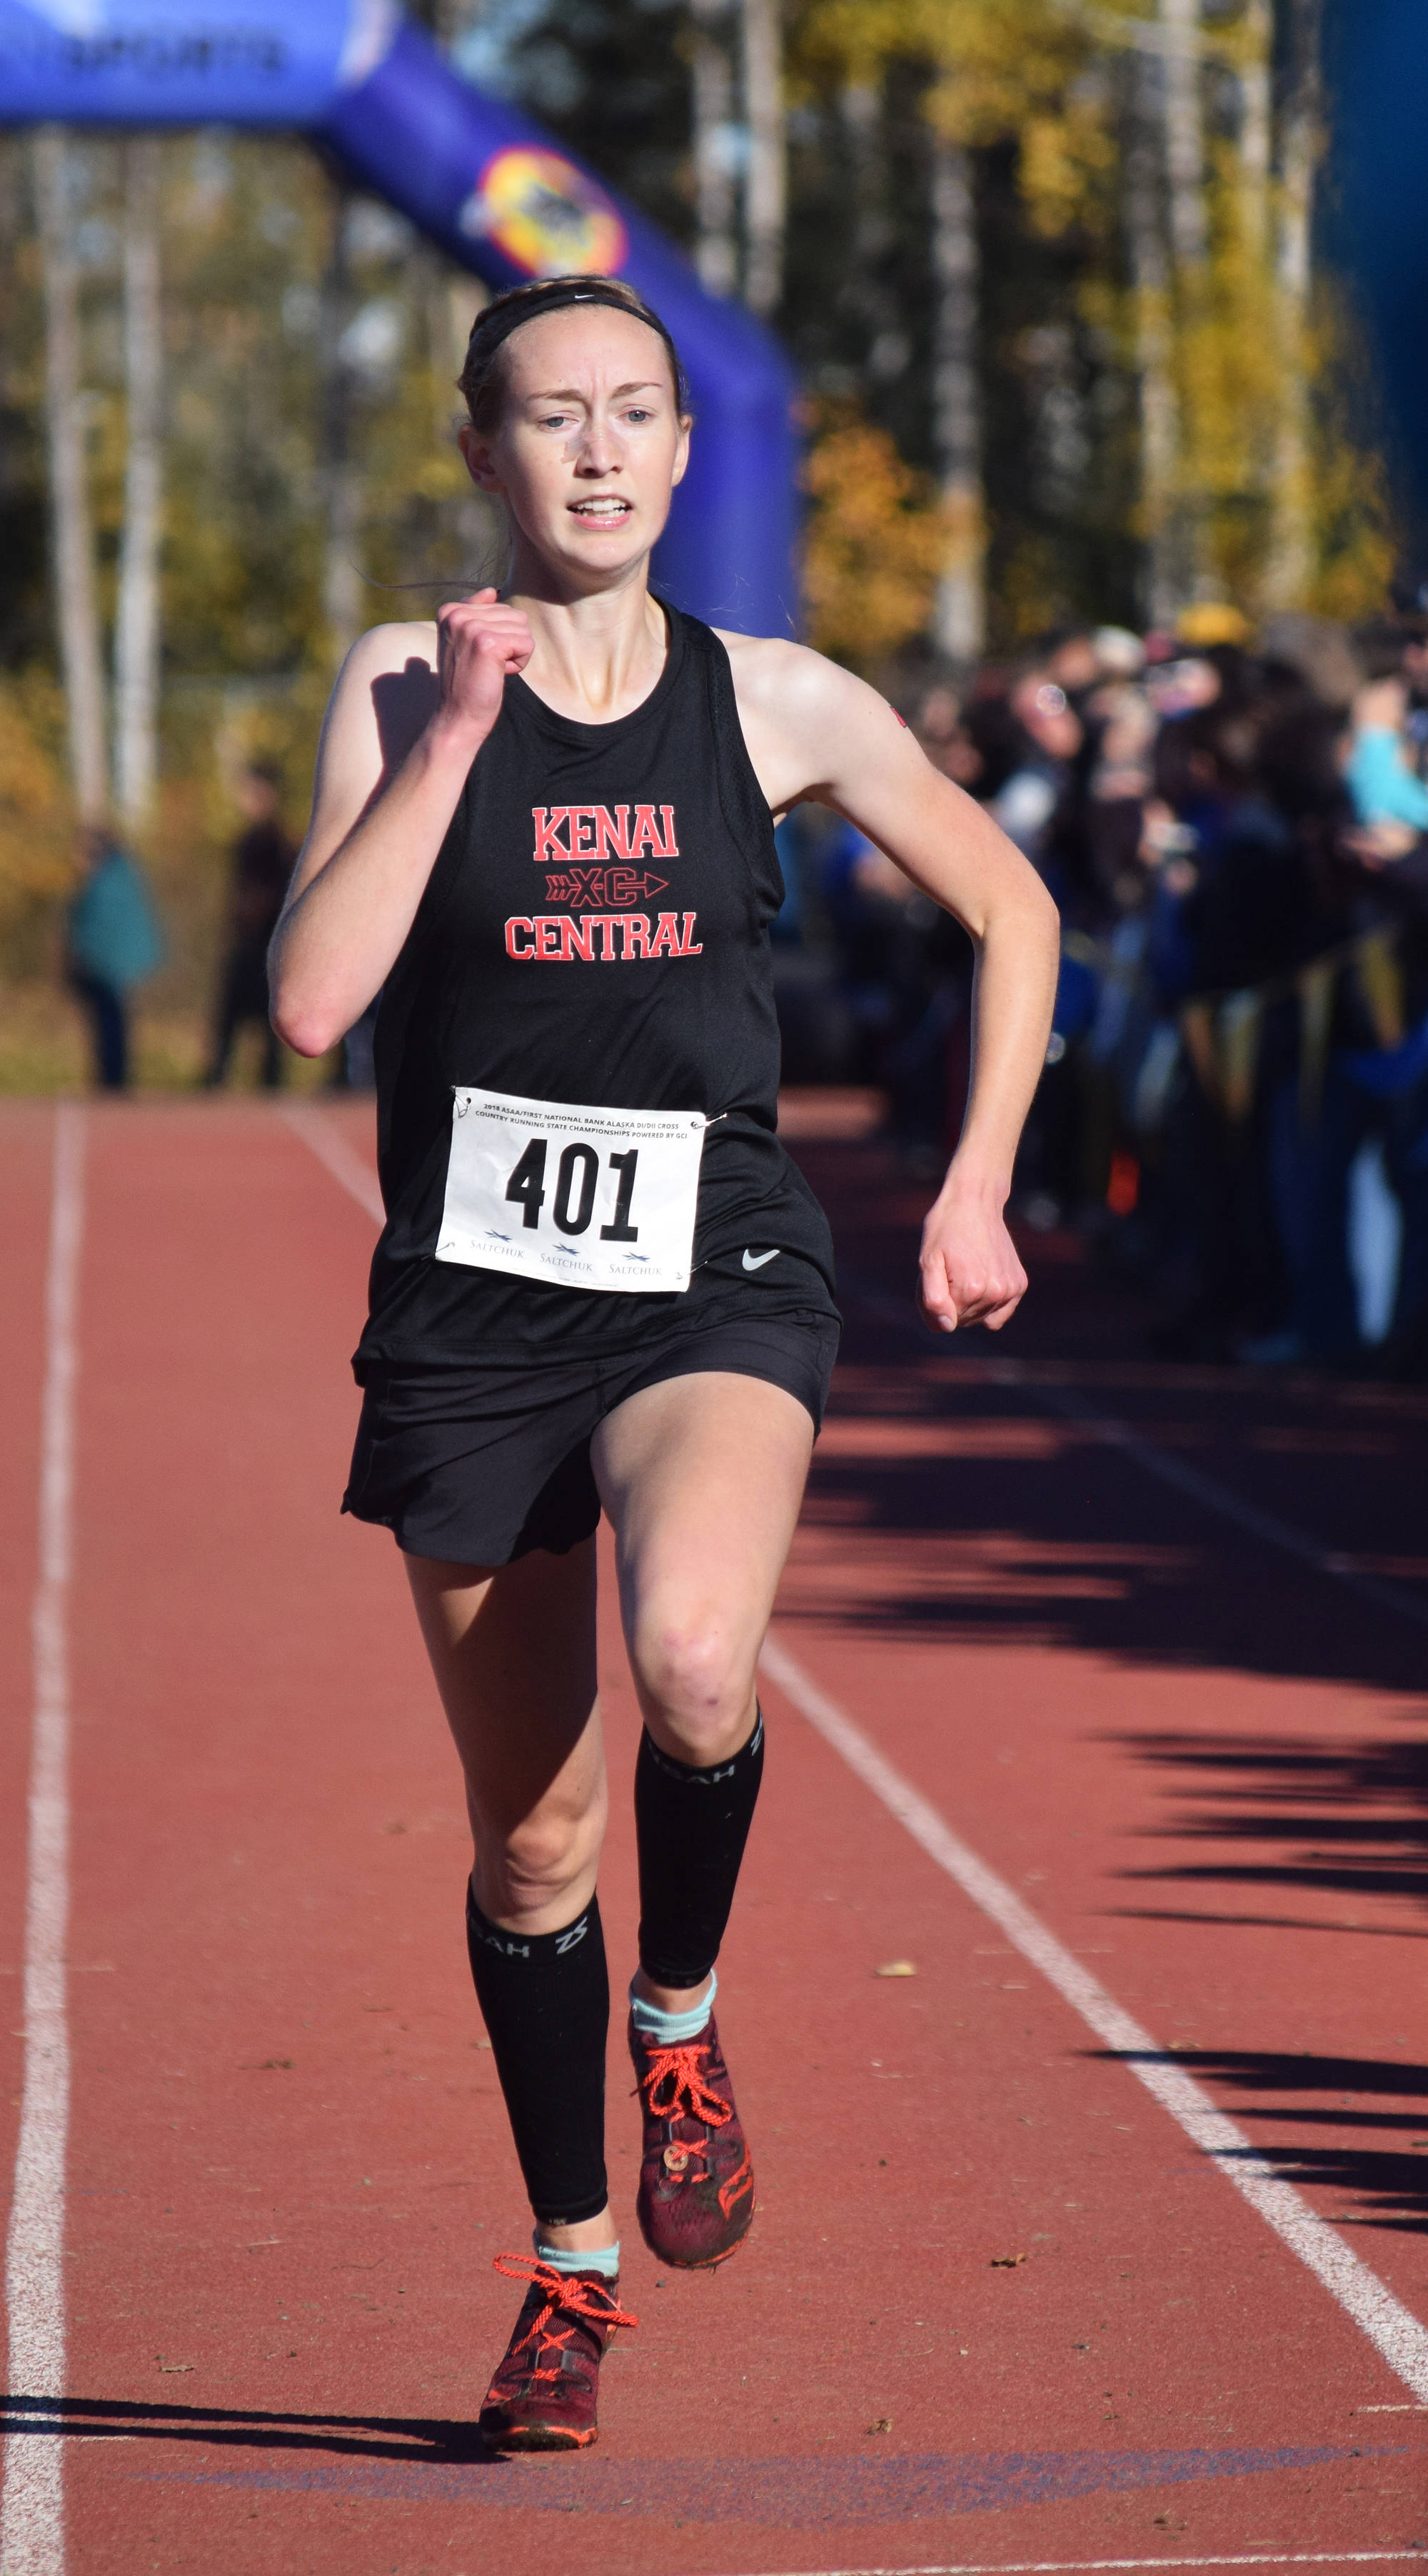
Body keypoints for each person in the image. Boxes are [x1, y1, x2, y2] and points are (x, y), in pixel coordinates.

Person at [268, 274, 1058, 2454]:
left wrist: (979, 1181)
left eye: (636, 413)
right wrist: (449, 737)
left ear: (688, 450)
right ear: (480, 451)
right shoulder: (393, 683)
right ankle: (566, 2270)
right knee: (532, 1846)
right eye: (551, 417)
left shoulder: (783, 700)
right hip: (468, 1316)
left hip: (712, 1275)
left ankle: (682, 2022)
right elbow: (322, 1002)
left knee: (696, 1657)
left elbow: (1013, 906)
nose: (598, 453)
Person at [206, 763, 296, 1087]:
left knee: (272, 1020)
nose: (244, 799)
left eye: (251, 792)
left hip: (267, 941)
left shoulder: (277, 842)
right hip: (246, 942)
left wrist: (259, 910)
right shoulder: (246, 840)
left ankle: (270, 1083)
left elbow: (281, 891)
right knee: (228, 1018)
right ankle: (215, 1079)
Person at [66, 824, 164, 1090]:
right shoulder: (117, 875)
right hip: (113, 967)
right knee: (112, 1024)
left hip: (110, 968)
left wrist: (82, 961)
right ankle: (113, 1079)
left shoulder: (108, 881)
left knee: (112, 1025)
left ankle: (114, 1080)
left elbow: (98, 929)